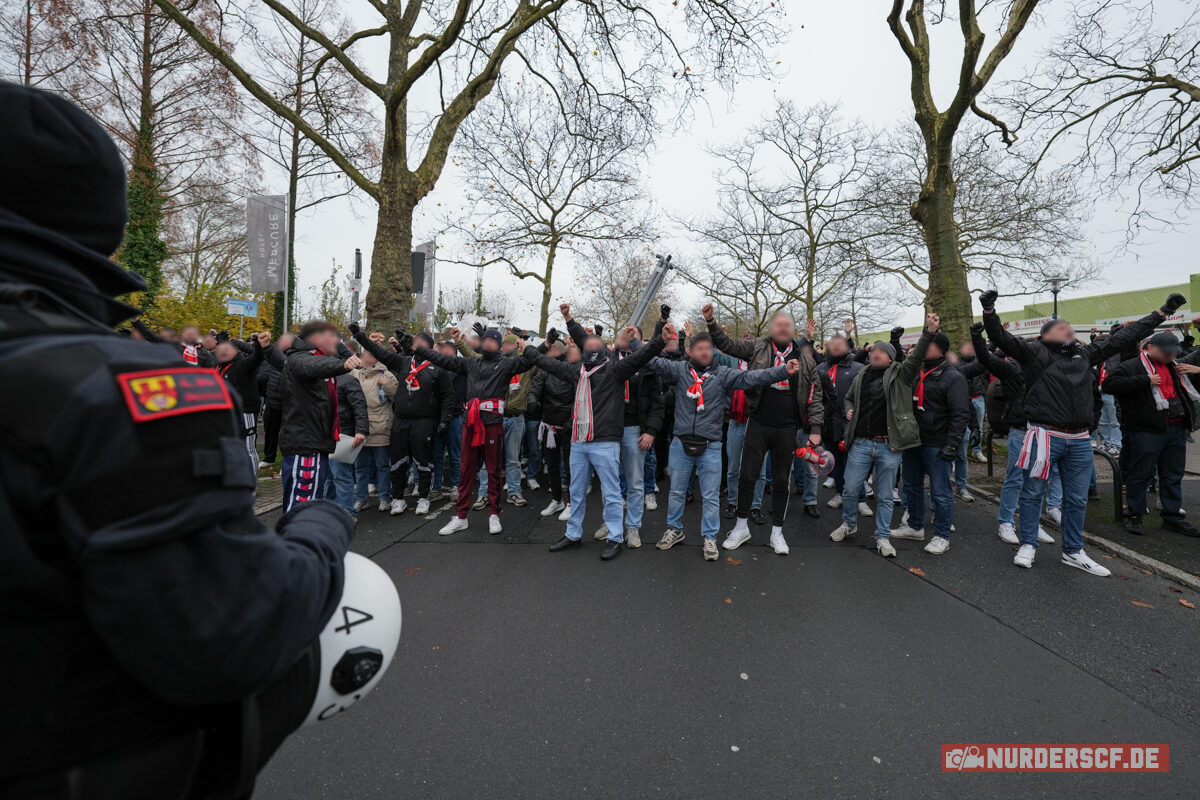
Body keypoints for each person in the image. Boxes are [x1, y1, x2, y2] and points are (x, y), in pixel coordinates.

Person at [0, 81, 354, 798]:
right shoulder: (119, 387)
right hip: (84, 766)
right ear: (102, 216)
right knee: (365, 612)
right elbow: (229, 631)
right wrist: (324, 526)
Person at [982, 288, 1177, 573]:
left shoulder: (1085, 355)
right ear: (1046, 335)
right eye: (1061, 327)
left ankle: (1073, 551)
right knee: (1033, 493)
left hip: (1079, 440)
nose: (1069, 330)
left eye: (1070, 328)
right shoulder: (1034, 354)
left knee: (1076, 498)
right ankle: (1028, 544)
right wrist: (989, 311)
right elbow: (1001, 338)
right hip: (1044, 436)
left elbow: (1124, 337)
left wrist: (1162, 312)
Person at [640, 327, 801, 560]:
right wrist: (636, 341)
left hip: (711, 445)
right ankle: (674, 530)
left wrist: (782, 371)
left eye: (708, 348)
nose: (705, 352)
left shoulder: (723, 374)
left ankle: (709, 537)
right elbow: (650, 360)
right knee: (675, 493)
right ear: (690, 351)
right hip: (680, 444)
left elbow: (753, 377)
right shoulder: (679, 370)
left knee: (710, 496)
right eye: (700, 349)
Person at [532, 306, 670, 560]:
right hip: (581, 438)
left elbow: (647, 356)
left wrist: (661, 336)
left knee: (621, 487)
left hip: (615, 435)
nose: (593, 343)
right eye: (588, 342)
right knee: (577, 490)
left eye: (631, 334)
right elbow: (556, 356)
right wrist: (563, 323)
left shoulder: (621, 367)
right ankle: (574, 534)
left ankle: (622, 533)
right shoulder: (582, 369)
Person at [701, 304, 824, 556]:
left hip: (787, 427)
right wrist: (711, 321)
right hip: (758, 422)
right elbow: (727, 344)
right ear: (770, 329)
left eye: (787, 325)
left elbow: (816, 395)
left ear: (793, 330)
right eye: (778, 324)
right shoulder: (757, 347)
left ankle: (777, 532)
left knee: (781, 480)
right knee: (747, 475)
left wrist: (815, 428)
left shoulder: (806, 359)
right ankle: (741, 527)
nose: (783, 328)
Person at [829, 314, 938, 557]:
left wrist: (929, 332)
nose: (875, 354)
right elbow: (849, 398)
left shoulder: (902, 374)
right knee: (850, 489)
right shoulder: (862, 374)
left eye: (881, 351)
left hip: (889, 446)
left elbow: (917, 356)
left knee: (886, 496)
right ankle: (849, 524)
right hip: (861, 443)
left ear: (890, 357)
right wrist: (849, 409)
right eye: (874, 351)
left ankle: (883, 537)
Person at [413, 327, 539, 535]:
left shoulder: (506, 364)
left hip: (493, 423)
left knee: (493, 470)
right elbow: (443, 360)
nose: (488, 342)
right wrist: (419, 349)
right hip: (470, 423)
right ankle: (461, 516)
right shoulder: (471, 362)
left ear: (499, 345)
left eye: (493, 340)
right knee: (466, 470)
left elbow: (531, 360)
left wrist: (531, 346)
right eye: (486, 339)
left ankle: (494, 514)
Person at [1102, 331, 1200, 536]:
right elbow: (1108, 385)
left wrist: (1197, 371)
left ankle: (1172, 515)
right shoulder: (1132, 365)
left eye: (1173, 352)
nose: (1170, 355)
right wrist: (1144, 380)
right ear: (1151, 348)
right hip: (1146, 429)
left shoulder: (1175, 365)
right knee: (1142, 473)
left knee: (1173, 474)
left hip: (1175, 427)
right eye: (1166, 352)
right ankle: (1135, 515)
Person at [969, 323, 1056, 547]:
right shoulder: (1012, 369)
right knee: (1015, 478)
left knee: (1037, 480)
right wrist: (978, 336)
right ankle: (1006, 521)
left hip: (1043, 431)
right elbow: (986, 359)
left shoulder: (1048, 369)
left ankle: (1032, 522)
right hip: (1020, 430)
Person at [352, 326, 454, 516]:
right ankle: (398, 498)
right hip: (400, 420)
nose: (415, 345)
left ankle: (424, 497)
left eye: (419, 343)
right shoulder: (404, 362)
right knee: (398, 461)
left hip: (424, 421)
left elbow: (448, 396)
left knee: (423, 461)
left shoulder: (439, 367)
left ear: (429, 347)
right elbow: (380, 353)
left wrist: (444, 420)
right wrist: (360, 337)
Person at [893, 326, 970, 555]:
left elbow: (960, 413)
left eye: (929, 344)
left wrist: (952, 444)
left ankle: (942, 535)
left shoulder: (953, 377)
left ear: (941, 350)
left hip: (937, 442)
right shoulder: (916, 372)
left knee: (940, 491)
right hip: (913, 441)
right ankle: (915, 526)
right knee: (911, 486)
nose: (923, 346)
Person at [591, 325, 665, 547]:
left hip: (634, 430)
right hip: (609, 430)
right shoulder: (607, 360)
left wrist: (650, 431)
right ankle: (611, 522)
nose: (628, 338)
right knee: (609, 482)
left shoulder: (649, 365)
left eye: (633, 336)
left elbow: (658, 403)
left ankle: (633, 527)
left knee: (635, 482)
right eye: (625, 334)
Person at [279, 320, 361, 510]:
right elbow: (314, 365)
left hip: (314, 443)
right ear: (316, 339)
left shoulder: (315, 356)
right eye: (332, 336)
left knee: (310, 506)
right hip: (305, 446)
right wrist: (343, 365)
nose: (337, 341)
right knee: (301, 508)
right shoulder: (302, 358)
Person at [527, 339, 578, 519]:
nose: (553, 349)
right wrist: (532, 401)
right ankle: (557, 500)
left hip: (568, 426)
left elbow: (578, 397)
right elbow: (534, 389)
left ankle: (572, 503)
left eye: (557, 347)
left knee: (570, 467)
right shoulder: (544, 371)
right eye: (551, 347)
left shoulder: (572, 370)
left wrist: (572, 419)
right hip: (549, 425)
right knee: (552, 465)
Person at [214, 331, 268, 473]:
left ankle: (252, 480)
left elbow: (258, 357)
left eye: (227, 348)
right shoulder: (219, 366)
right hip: (227, 412)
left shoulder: (244, 364)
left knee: (248, 448)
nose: (223, 352)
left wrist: (257, 344)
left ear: (236, 350)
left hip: (245, 412)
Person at [353, 344, 398, 513]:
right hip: (359, 428)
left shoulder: (386, 375)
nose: (362, 356)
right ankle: (361, 498)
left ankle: (384, 498)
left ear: (374, 357)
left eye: (365, 354)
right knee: (360, 467)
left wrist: (387, 385)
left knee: (382, 466)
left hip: (380, 427)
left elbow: (396, 397)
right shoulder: (356, 374)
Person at [819, 330, 862, 505]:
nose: (836, 347)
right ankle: (840, 493)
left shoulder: (858, 369)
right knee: (835, 461)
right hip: (828, 423)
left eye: (840, 344)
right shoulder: (820, 369)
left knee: (855, 463)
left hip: (851, 423)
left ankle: (860, 499)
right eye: (833, 344)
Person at [327, 369, 369, 518]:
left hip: (341, 434)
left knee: (340, 475)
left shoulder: (347, 380)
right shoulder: (318, 379)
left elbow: (359, 406)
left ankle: (347, 513)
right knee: (328, 478)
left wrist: (361, 430)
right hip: (322, 435)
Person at [431, 339, 465, 501]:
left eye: (449, 355)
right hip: (436, 418)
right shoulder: (434, 370)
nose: (445, 359)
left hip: (455, 417)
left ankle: (455, 486)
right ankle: (436, 487)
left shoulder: (462, 371)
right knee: (436, 455)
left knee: (455, 455)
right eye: (443, 355)